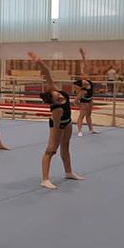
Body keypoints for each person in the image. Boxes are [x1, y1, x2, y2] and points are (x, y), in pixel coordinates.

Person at [29, 52, 84, 189]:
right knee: (51, 150)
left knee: (66, 146)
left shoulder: (55, 91)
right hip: (57, 125)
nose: (60, 95)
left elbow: (47, 73)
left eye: (58, 93)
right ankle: (45, 179)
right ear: (53, 102)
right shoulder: (57, 110)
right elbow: (56, 127)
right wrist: (53, 141)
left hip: (68, 122)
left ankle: (68, 172)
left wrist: (39, 62)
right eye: (57, 97)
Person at [74, 48, 99, 137]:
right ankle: (79, 131)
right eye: (83, 82)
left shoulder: (88, 80)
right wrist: (80, 106)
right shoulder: (83, 91)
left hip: (90, 100)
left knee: (89, 115)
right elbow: (75, 101)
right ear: (82, 85)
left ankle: (91, 129)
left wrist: (83, 56)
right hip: (84, 102)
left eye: (84, 80)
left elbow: (85, 66)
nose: (84, 80)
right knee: (82, 116)